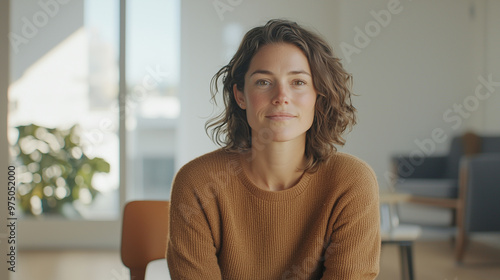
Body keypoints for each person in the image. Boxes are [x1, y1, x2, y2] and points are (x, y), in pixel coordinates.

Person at [167, 19, 380, 279]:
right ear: (240, 95)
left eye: (298, 82)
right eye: (264, 82)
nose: (281, 96)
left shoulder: (351, 182)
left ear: (318, 94)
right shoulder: (197, 183)